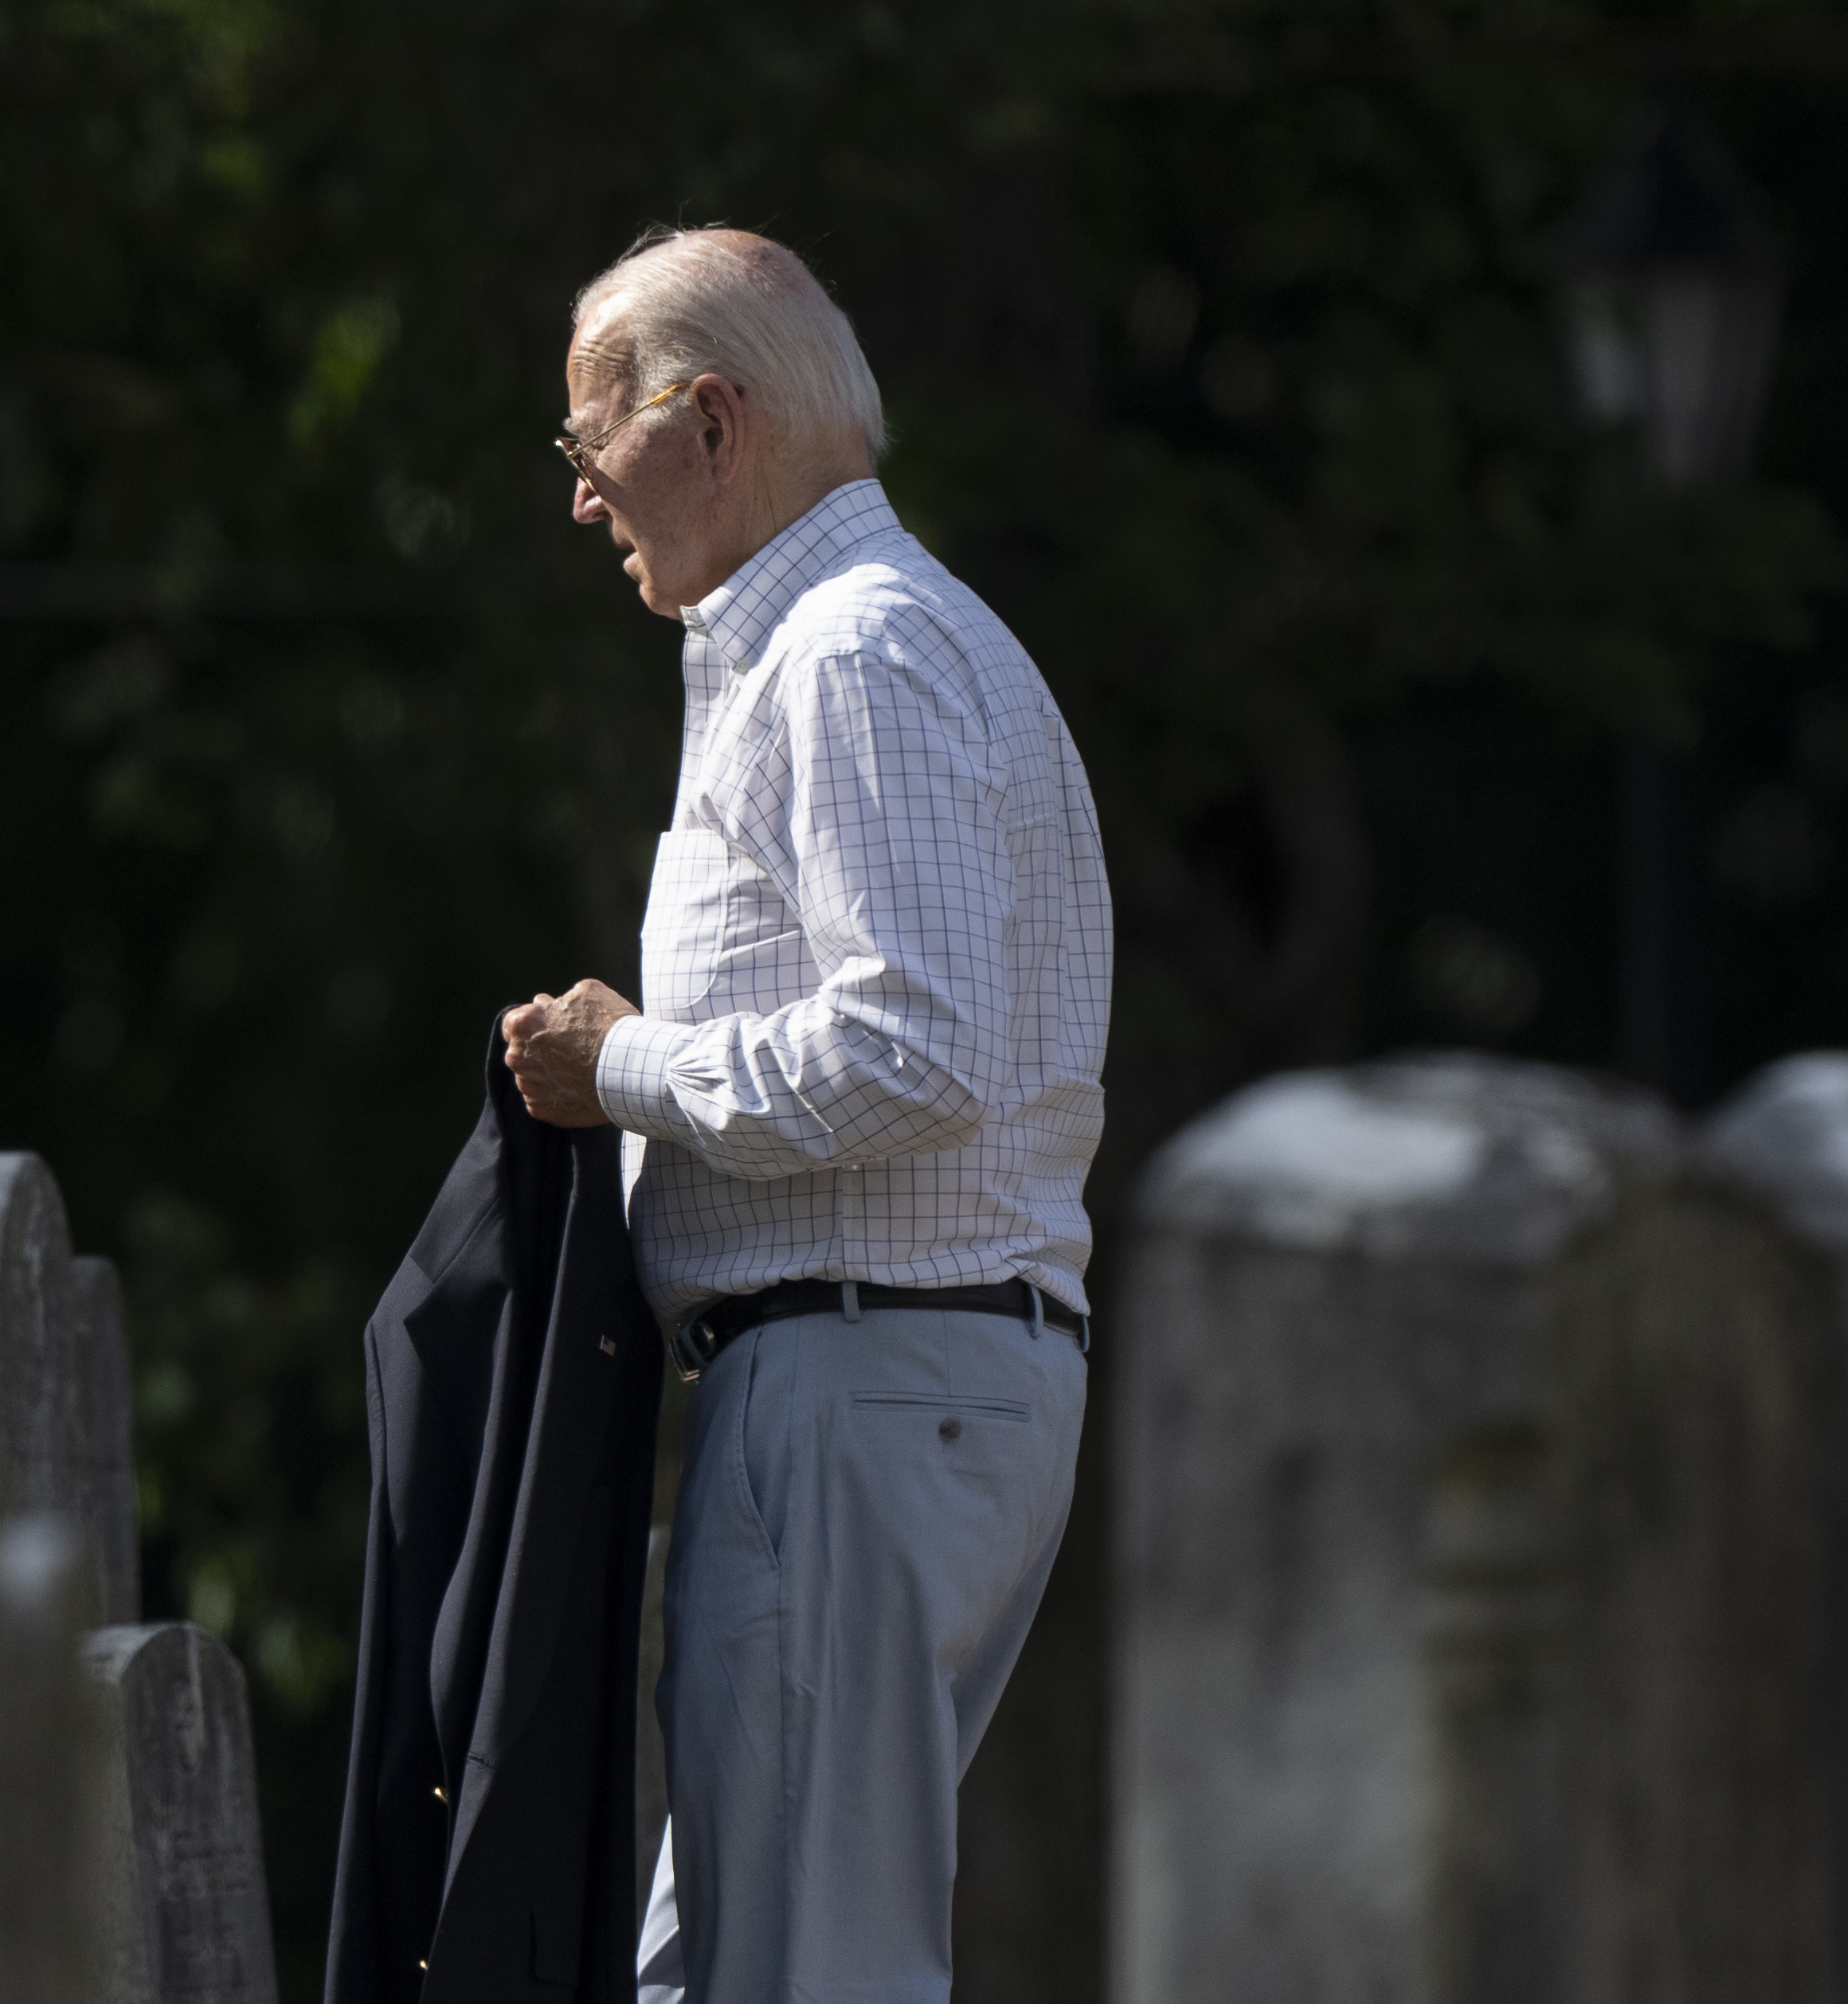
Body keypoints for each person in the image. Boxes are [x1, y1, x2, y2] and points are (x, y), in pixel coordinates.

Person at [501, 226, 1113, 2004]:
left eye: (583, 443)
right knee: (724, 1974)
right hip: (898, 1387)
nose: (579, 500)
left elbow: (912, 1048)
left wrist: (621, 1065)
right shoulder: (890, 639)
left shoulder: (852, 654)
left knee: (803, 1982)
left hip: (862, 1383)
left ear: (709, 418)